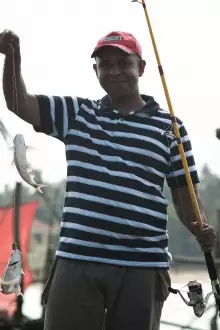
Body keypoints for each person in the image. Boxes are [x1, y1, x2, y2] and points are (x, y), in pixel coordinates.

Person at [0, 29, 216, 330]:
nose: (114, 71)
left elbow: (186, 196)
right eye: (105, 64)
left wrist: (200, 226)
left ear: (140, 68)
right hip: (77, 259)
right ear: (95, 71)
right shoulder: (75, 113)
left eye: (123, 63)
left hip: (143, 266)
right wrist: (12, 57)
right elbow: (17, 102)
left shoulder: (171, 129)